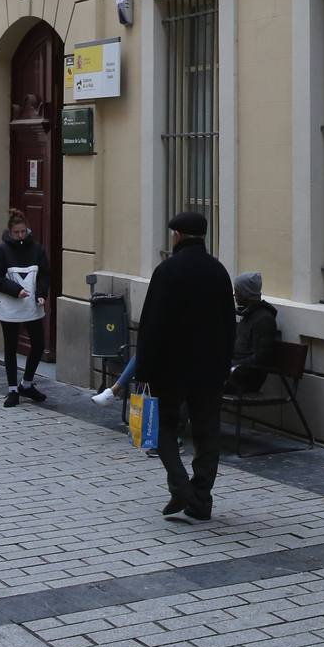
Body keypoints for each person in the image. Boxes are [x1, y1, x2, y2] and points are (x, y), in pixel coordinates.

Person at [135, 210, 235, 522]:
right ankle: (201, 499)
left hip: (171, 368)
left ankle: (180, 485)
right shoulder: (218, 271)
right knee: (207, 434)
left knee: (165, 428)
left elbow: (151, 324)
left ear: (176, 235)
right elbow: (229, 325)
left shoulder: (167, 271)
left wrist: (144, 371)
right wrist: (223, 365)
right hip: (209, 369)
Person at [0, 209, 48, 407]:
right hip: (10, 306)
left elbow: (45, 274)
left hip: (32, 305)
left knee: (38, 344)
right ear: (10, 232)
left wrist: (41, 293)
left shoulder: (37, 249)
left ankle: (27, 384)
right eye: (17, 232)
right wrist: (15, 290)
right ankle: (12, 389)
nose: (21, 236)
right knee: (10, 347)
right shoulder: (0, 251)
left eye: (23, 232)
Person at [226, 272, 278, 394]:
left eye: (237, 291)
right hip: (235, 374)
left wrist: (230, 366)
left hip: (244, 380)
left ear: (246, 294)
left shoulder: (263, 319)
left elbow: (260, 358)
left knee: (198, 385)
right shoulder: (249, 316)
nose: (234, 294)